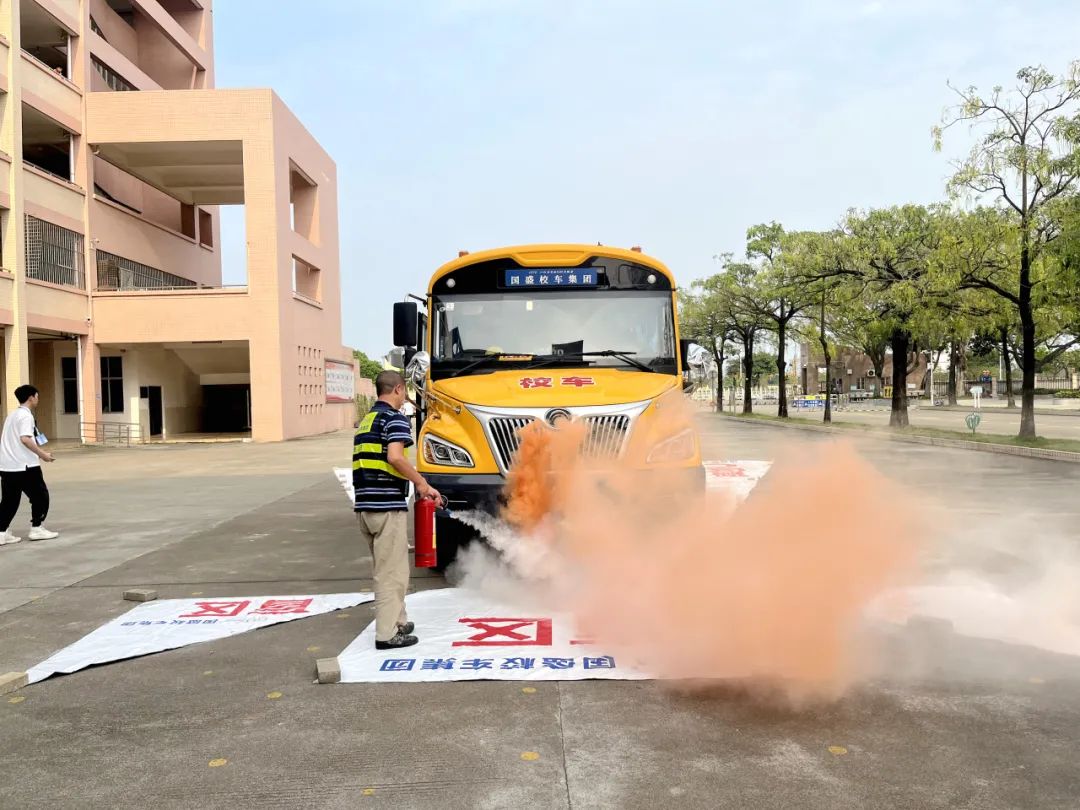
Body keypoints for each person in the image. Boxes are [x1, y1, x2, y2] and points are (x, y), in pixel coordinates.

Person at [354, 370, 440, 650]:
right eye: (404, 394)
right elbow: (394, 457)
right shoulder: (395, 419)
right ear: (399, 390)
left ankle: (399, 620)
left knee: (390, 569)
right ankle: (387, 634)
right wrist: (422, 483)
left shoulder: (367, 420)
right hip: (386, 507)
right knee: (391, 574)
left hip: (365, 508)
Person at [0, 385, 58, 546]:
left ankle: (1, 532)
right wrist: (43, 455)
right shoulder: (26, 417)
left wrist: (41, 448)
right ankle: (37, 528)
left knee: (9, 500)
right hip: (25, 465)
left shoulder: (12, 415)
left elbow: (31, 437)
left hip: (7, 465)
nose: (38, 399)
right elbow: (25, 439)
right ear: (31, 398)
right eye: (37, 396)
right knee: (40, 496)